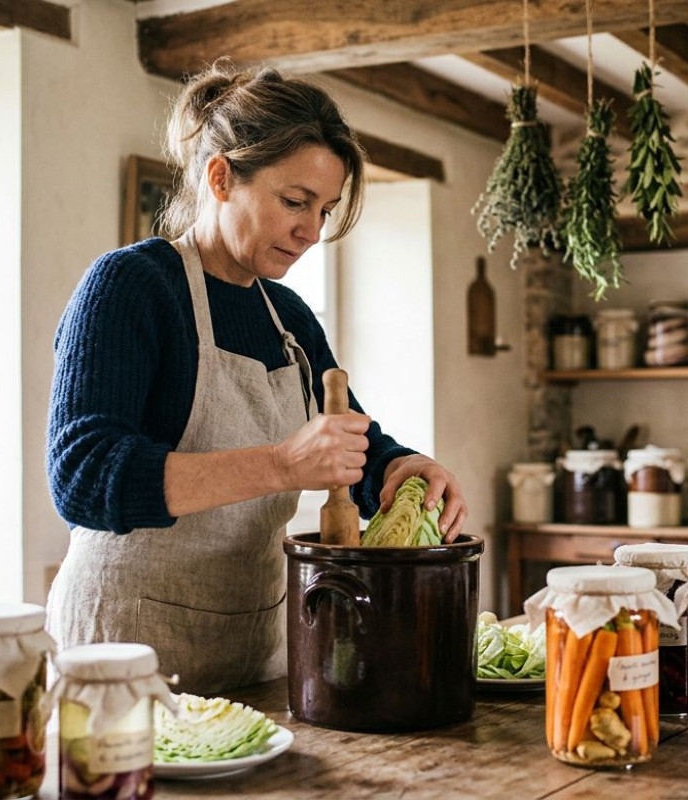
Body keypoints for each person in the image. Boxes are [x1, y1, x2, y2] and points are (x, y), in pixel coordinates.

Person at [45, 61, 468, 695]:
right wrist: (280, 465)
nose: (311, 231)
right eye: (294, 202)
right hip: (125, 650)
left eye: (323, 209)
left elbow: (352, 441)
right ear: (221, 178)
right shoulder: (133, 285)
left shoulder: (288, 315)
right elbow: (82, 478)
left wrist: (401, 467)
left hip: (259, 652)